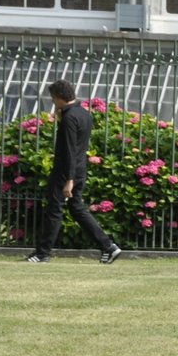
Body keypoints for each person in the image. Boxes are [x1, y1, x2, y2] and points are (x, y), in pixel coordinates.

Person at [24, 80, 121, 264]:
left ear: (60, 98)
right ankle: (108, 246)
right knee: (76, 208)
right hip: (79, 168)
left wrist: (68, 179)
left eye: (53, 99)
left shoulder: (69, 118)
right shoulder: (83, 114)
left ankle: (42, 253)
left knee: (54, 210)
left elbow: (69, 149)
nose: (53, 103)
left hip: (65, 171)